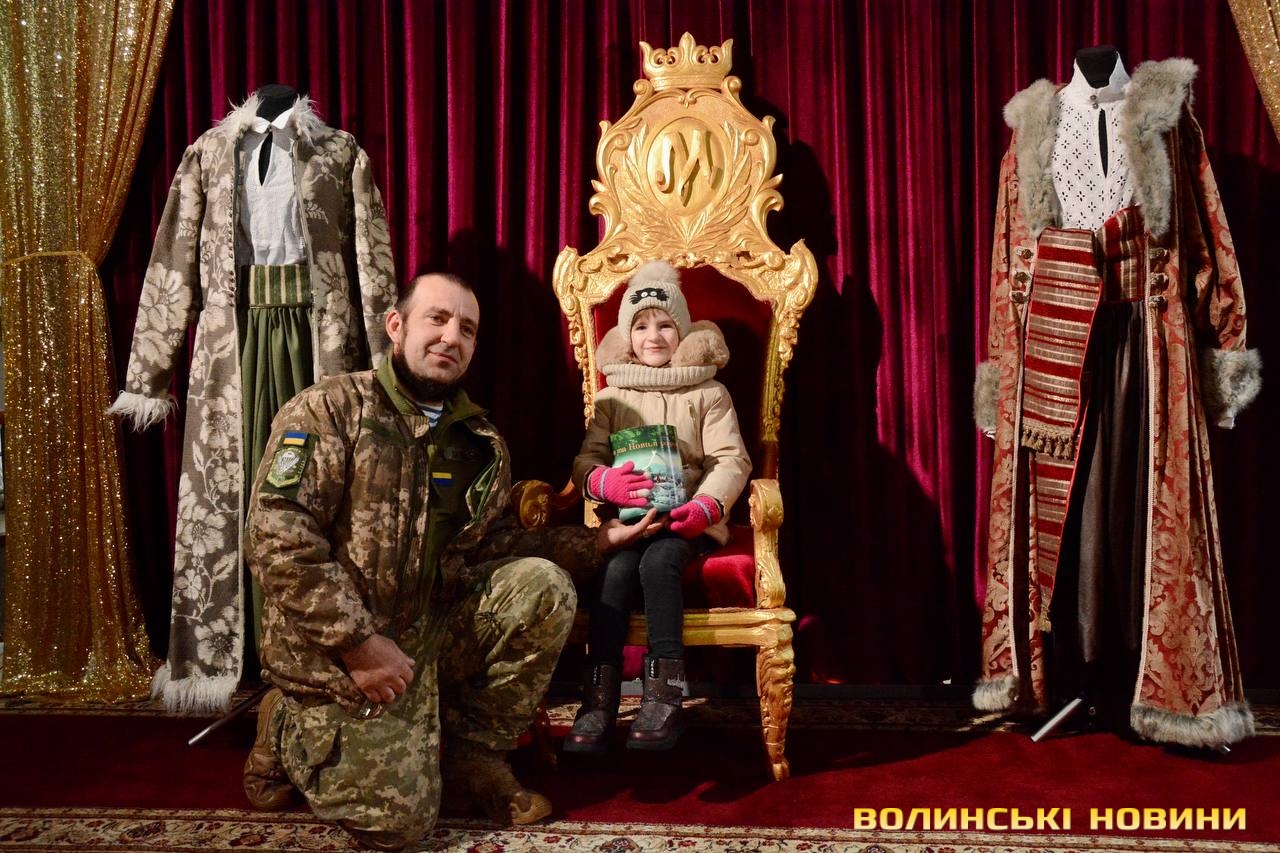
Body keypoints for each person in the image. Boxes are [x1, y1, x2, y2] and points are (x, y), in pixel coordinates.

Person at [241, 272, 657, 851]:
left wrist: (599, 542)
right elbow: (277, 537)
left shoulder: (478, 442)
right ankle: (285, 721)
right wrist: (358, 644)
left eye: (467, 328)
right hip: (340, 653)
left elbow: (497, 549)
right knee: (397, 826)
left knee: (542, 586)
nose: (451, 337)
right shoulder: (330, 409)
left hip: (432, 633)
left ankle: (473, 756)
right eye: (436, 319)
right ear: (396, 326)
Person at [565, 260, 751, 753]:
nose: (654, 336)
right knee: (615, 571)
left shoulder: (709, 391)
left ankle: (664, 693)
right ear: (627, 336)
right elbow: (586, 461)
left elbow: (731, 459)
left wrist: (707, 506)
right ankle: (599, 697)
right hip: (631, 521)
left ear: (682, 331)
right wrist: (604, 482)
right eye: (641, 326)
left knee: (659, 564)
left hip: (687, 521)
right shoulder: (612, 396)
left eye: (665, 325)